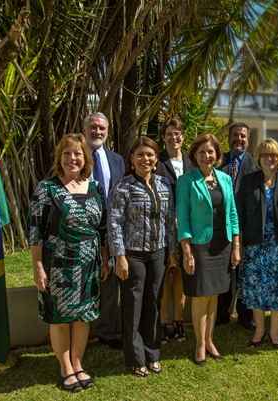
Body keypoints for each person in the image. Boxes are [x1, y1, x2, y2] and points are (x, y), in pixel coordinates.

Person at [29, 133, 109, 392]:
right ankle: (65, 367)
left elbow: (103, 226)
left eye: (77, 154)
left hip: (90, 265)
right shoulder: (47, 188)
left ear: (85, 158)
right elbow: (35, 231)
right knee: (60, 316)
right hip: (59, 264)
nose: (72, 158)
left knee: (83, 316)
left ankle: (77, 362)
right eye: (67, 154)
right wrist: (38, 265)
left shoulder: (95, 187)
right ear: (59, 158)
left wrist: (105, 258)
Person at [108, 136, 175, 377]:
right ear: (132, 159)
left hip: (158, 252)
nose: (145, 159)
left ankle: (153, 353)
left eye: (150, 155)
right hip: (133, 255)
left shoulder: (164, 184)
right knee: (133, 306)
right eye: (140, 155)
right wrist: (119, 256)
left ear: (156, 159)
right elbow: (114, 222)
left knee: (153, 304)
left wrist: (172, 252)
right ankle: (135, 359)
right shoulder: (123, 186)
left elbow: (169, 221)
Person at [176, 134, 241, 365]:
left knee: (214, 295)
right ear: (194, 155)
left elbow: (232, 213)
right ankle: (199, 344)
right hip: (199, 244)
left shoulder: (224, 178)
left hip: (222, 244)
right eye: (202, 152)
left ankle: (210, 339)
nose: (206, 156)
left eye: (210, 151)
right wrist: (187, 251)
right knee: (200, 296)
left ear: (217, 154)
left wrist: (236, 245)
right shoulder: (186, 181)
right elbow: (182, 218)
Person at [238, 139, 278, 349]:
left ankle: (274, 332)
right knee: (256, 289)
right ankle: (259, 330)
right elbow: (239, 214)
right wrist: (238, 243)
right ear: (259, 158)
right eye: (266, 155)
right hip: (254, 246)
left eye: (274, 155)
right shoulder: (248, 181)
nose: (270, 159)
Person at [84, 112, 126, 350]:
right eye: (93, 127)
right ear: (85, 129)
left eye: (102, 128)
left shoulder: (117, 160)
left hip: (110, 228)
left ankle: (107, 330)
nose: (97, 132)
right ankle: (80, 328)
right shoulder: (75, 156)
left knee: (109, 281)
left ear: (107, 132)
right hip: (82, 229)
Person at [155, 117, 192, 343]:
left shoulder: (191, 162)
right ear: (164, 137)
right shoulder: (157, 162)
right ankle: (165, 321)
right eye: (169, 134)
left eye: (177, 133)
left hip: (187, 227)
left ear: (183, 136)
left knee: (180, 275)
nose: (174, 137)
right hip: (164, 227)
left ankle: (179, 320)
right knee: (166, 274)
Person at [218, 122, 257, 329]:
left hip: (245, 229)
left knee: (245, 272)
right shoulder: (218, 160)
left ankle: (245, 315)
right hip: (221, 228)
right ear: (229, 137)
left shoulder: (255, 165)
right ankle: (222, 314)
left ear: (248, 139)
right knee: (224, 271)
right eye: (235, 135)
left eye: (242, 136)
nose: (238, 139)